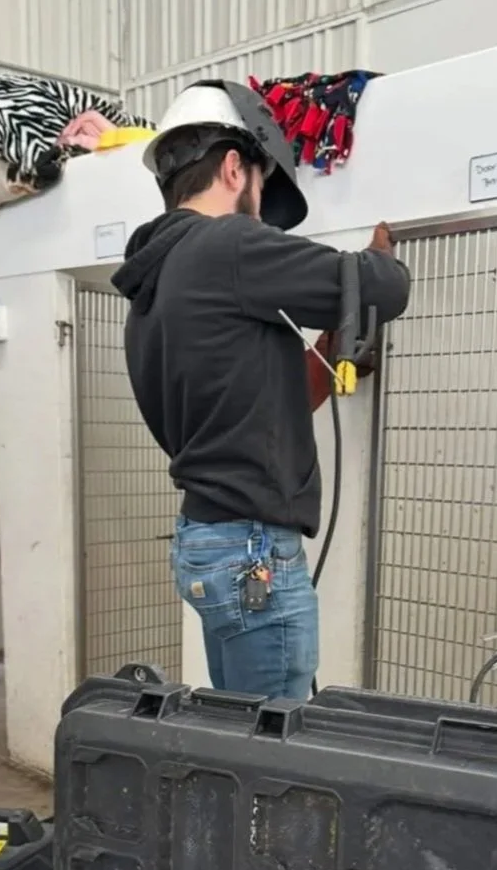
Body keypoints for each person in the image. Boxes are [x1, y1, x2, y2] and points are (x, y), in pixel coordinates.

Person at [112, 79, 410, 700]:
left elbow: (266, 402)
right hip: (252, 551)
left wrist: (330, 348)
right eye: (259, 181)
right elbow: (383, 288)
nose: (260, 207)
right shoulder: (226, 244)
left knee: (241, 734)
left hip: (207, 541)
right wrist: (380, 258)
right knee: (275, 753)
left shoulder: (152, 283)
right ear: (232, 166)